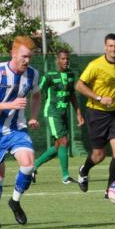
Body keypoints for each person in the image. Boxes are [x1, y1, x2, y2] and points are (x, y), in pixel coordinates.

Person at [0, 36, 41, 229]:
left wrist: (33, 116)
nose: (27, 61)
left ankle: (15, 202)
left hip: (17, 128)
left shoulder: (32, 74)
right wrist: (10, 104)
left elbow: (37, 94)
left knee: (29, 163)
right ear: (13, 54)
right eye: (24, 56)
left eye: (30, 57)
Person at [75, 33, 115, 198]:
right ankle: (84, 170)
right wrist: (99, 98)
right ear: (105, 47)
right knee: (99, 155)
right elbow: (79, 85)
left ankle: (110, 189)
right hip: (96, 113)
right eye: (110, 46)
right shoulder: (95, 65)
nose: (113, 49)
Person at [32, 50, 84, 184]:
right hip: (52, 113)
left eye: (67, 59)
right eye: (63, 59)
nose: (66, 61)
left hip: (63, 114)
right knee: (64, 141)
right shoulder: (49, 75)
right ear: (57, 60)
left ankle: (33, 166)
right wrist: (34, 115)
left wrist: (78, 113)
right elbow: (37, 93)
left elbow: (72, 95)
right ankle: (66, 176)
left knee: (57, 146)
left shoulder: (71, 75)